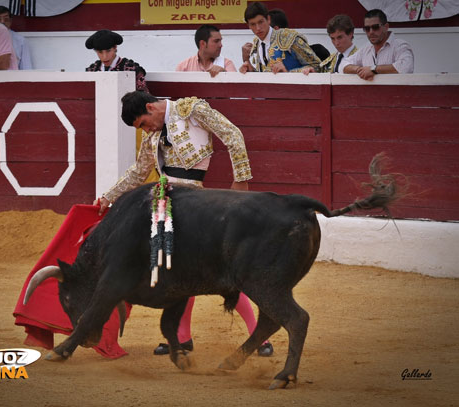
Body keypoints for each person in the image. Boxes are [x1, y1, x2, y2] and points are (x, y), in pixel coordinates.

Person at [95, 91, 274, 357]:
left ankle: (259, 336)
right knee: (177, 272)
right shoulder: (152, 132)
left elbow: (233, 135)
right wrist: (108, 197)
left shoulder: (192, 110)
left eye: (144, 123)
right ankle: (181, 337)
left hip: (196, 205)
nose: (146, 129)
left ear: (150, 107)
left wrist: (241, 180)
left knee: (223, 271)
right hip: (165, 204)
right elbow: (138, 171)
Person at [239, 2, 320, 74]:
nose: (258, 28)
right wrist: (250, 68)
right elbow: (266, 76)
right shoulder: (257, 43)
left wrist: (287, 73)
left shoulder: (289, 37)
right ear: (248, 26)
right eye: (253, 24)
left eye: (260, 22)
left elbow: (318, 67)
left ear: (268, 19)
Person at [341, 9, 414, 80]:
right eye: (367, 28)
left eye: (375, 27)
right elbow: (343, 64)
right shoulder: (366, 48)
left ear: (386, 27)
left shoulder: (400, 45)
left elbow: (406, 67)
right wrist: (359, 69)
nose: (371, 32)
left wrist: (373, 69)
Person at [0, 6, 32, 70]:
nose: (2, 22)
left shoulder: (21, 40)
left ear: (10, 21)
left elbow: (26, 67)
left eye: (6, 19)